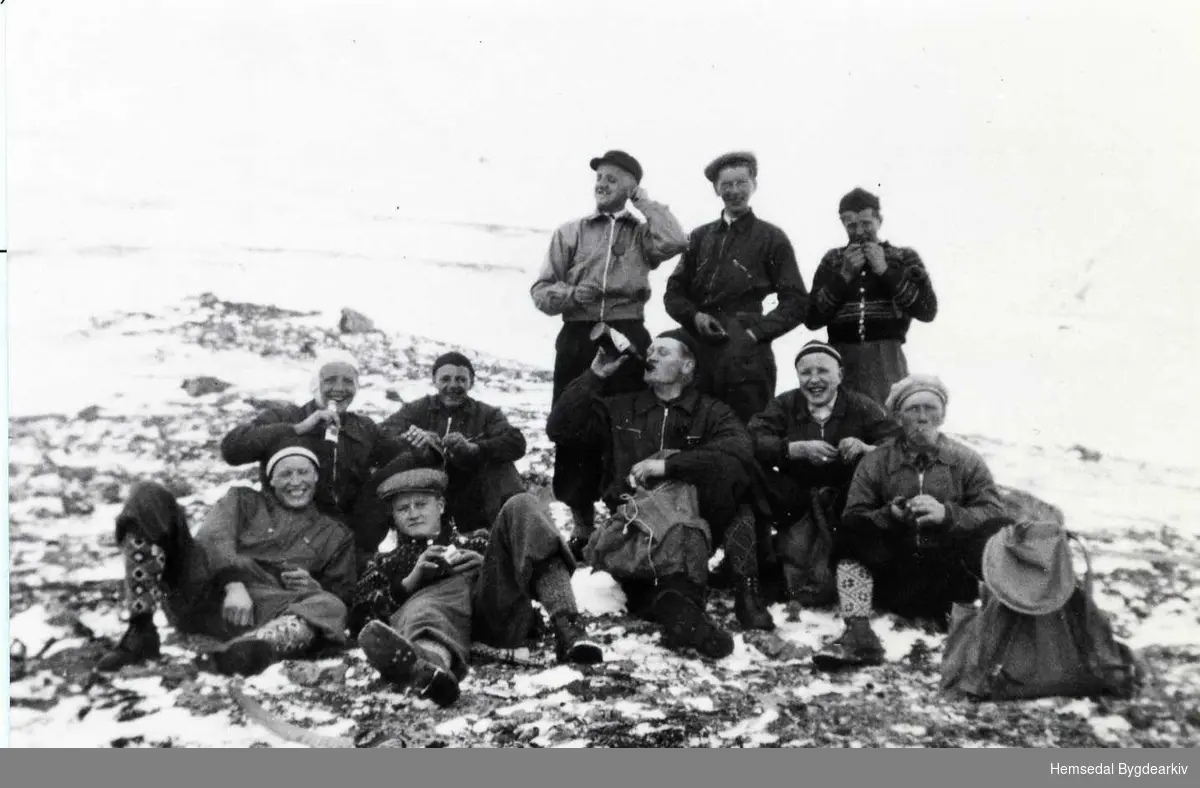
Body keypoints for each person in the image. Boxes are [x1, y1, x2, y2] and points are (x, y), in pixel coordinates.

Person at [547, 329, 775, 657]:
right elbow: (560, 428)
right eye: (650, 351)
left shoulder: (712, 411)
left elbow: (739, 448)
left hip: (693, 521)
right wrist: (595, 375)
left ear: (687, 366)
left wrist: (669, 466)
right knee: (654, 586)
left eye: (663, 352)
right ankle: (686, 619)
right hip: (637, 523)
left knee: (737, 485)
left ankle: (745, 590)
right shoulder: (621, 408)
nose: (651, 356)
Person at [531, 150, 689, 555]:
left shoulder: (642, 233)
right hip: (578, 337)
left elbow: (676, 240)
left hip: (629, 332)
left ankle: (622, 519)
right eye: (599, 178)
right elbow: (541, 292)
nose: (601, 184)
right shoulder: (571, 231)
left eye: (612, 179)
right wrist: (571, 294)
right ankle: (582, 524)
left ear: (631, 186)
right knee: (572, 424)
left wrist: (645, 203)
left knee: (624, 427)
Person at [349, 466, 602, 708]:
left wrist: (484, 568)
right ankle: (430, 670)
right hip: (437, 627)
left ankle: (569, 627)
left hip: (494, 620)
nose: (413, 513)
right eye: (403, 508)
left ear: (440, 506)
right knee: (429, 600)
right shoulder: (385, 563)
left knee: (521, 504)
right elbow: (360, 617)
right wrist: (410, 582)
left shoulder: (478, 540)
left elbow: (527, 572)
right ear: (393, 518)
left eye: (421, 504)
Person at [96, 444, 356, 676]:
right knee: (148, 497)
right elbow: (213, 537)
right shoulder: (242, 500)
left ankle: (243, 651)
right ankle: (140, 631)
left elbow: (341, 594)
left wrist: (315, 587)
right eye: (286, 474)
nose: (296, 481)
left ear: (317, 477)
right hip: (203, 588)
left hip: (269, 608)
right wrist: (233, 583)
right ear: (271, 480)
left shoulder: (335, 533)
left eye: (303, 472)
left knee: (330, 606)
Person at [813, 374, 1007, 670]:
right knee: (851, 533)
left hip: (947, 578)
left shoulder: (966, 460)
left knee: (998, 533)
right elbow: (855, 514)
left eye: (930, 409)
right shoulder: (876, 460)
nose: (922, 418)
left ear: (942, 415)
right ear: (898, 417)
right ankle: (858, 631)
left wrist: (947, 515)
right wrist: (890, 516)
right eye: (913, 410)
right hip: (893, 574)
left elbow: (992, 511)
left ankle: (995, 625)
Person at [220, 349, 405, 570]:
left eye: (348, 381)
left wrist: (421, 443)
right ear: (315, 384)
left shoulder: (364, 428)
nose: (339, 388)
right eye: (330, 380)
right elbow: (231, 450)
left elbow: (399, 456)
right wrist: (298, 429)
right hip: (286, 541)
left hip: (345, 548)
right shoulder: (286, 417)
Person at [747, 341, 900, 599]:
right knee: (747, 473)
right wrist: (793, 449)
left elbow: (895, 443)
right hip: (794, 496)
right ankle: (760, 562)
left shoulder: (861, 405)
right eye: (805, 373)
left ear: (840, 375)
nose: (814, 380)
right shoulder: (784, 404)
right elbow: (751, 438)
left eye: (823, 371)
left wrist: (865, 448)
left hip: (845, 497)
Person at [663, 151, 808, 423]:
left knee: (746, 434)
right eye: (726, 185)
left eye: (741, 182)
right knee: (690, 428)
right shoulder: (699, 237)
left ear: (754, 184)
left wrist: (754, 334)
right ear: (716, 189)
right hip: (697, 344)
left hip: (745, 352)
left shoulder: (771, 237)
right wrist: (694, 317)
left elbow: (797, 302)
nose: (734, 191)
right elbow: (673, 293)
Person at [358, 351, 526, 547]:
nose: (453, 386)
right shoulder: (417, 409)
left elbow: (516, 442)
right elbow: (382, 437)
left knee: (502, 467)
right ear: (434, 381)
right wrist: (411, 440)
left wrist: (475, 449)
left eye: (461, 379)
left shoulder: (487, 414)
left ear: (471, 383)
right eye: (446, 379)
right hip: (424, 495)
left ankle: (513, 538)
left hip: (471, 497)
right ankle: (365, 545)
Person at [803, 188, 938, 406]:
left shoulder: (904, 257)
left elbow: (927, 310)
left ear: (879, 220)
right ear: (843, 224)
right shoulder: (832, 260)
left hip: (887, 357)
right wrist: (844, 275)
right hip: (841, 357)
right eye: (851, 225)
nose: (859, 231)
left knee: (889, 419)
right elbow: (812, 319)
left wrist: (885, 271)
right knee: (842, 424)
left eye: (866, 223)